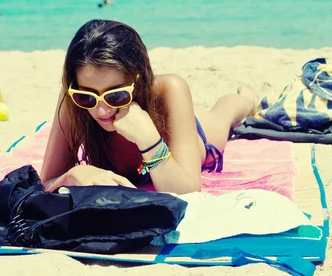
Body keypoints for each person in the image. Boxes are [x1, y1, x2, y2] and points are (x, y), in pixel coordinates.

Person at [40, 20, 259, 195]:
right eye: (87, 98)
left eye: (115, 95)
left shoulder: (170, 88)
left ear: (139, 80)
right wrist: (73, 175)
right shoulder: (73, 95)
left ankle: (247, 98)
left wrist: (150, 141)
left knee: (224, 115)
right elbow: (45, 183)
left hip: (194, 133)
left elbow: (188, 192)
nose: (101, 110)